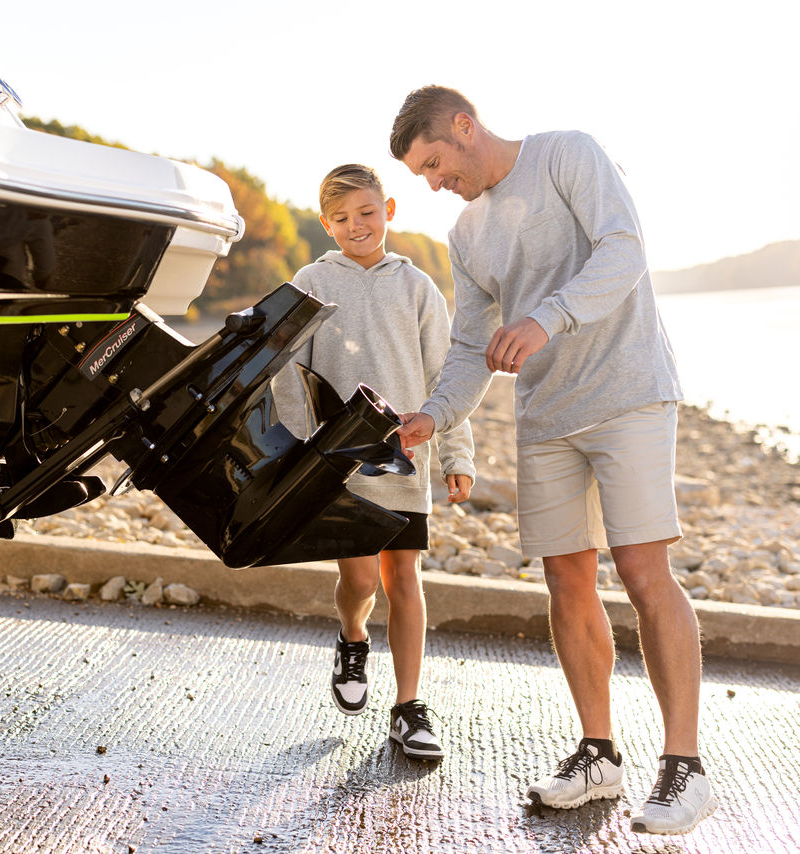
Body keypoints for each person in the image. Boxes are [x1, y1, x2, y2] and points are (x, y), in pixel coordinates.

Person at [388, 86, 715, 834]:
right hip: (547, 416)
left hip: (629, 391)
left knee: (640, 568)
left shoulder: (568, 153)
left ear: (465, 126)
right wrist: (433, 418)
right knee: (566, 578)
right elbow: (472, 344)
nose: (435, 182)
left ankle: (685, 765)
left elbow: (625, 249)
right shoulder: (466, 235)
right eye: (422, 174)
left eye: (435, 162)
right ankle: (598, 756)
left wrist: (545, 317)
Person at [272, 163, 475, 760]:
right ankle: (352, 635)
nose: (355, 226)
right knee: (359, 581)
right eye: (341, 218)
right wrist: (299, 452)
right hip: (337, 463)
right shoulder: (310, 281)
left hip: (406, 460)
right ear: (325, 224)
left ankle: (409, 708)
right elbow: (288, 375)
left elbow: (447, 376)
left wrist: (456, 453)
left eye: (366, 213)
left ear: (388, 211)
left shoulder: (417, 288)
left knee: (404, 580)